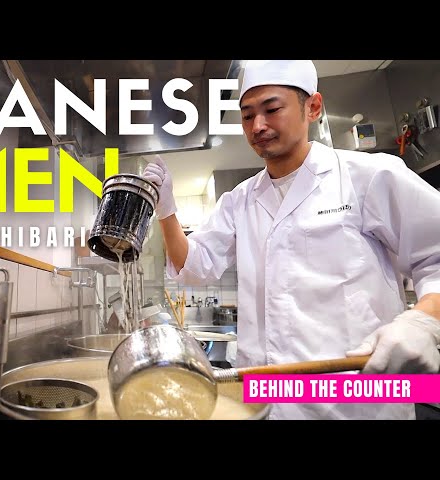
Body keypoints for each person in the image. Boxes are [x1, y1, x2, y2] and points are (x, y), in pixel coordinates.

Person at [143, 60, 440, 420]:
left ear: (313, 107)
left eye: (272, 109)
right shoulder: (239, 200)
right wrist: (166, 211)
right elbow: (193, 265)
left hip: (356, 402)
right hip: (265, 402)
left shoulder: (370, 177)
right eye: (247, 115)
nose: (258, 126)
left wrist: (423, 321)